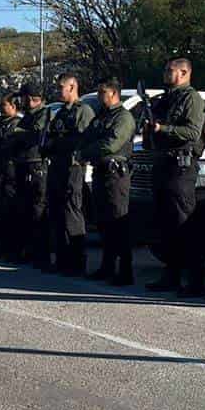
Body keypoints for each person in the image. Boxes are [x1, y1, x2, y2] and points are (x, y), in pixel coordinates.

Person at [146, 57, 205, 296]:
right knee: (165, 224)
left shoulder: (191, 98)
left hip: (181, 167)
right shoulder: (165, 98)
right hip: (163, 164)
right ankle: (171, 275)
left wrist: (164, 129)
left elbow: (193, 131)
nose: (165, 73)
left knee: (184, 223)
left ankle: (195, 280)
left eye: (169, 70)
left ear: (184, 73)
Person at [78, 78, 137, 286]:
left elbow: (111, 144)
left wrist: (86, 152)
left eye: (102, 92)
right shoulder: (101, 117)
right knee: (103, 221)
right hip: (101, 172)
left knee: (118, 221)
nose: (99, 96)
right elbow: (87, 136)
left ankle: (125, 269)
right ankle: (107, 266)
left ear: (113, 93)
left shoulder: (123, 117)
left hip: (116, 175)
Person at [44, 73, 95, 274]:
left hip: (72, 166)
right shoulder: (61, 113)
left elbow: (83, 139)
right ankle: (63, 258)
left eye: (61, 87)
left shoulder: (83, 111)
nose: (58, 91)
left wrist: (62, 143)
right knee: (56, 211)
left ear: (72, 87)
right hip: (57, 165)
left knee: (72, 211)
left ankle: (77, 260)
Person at [14, 83, 51, 267]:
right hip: (24, 164)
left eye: (25, 97)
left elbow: (34, 136)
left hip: (36, 165)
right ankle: (29, 249)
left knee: (38, 209)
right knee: (25, 209)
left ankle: (41, 252)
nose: (23, 101)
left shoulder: (43, 114)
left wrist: (19, 134)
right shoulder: (28, 116)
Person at [0, 93, 24, 259]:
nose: (2, 108)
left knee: (12, 210)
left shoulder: (17, 124)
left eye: (5, 105)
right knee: (1, 209)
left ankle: (14, 247)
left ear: (14, 107)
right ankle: (3, 245)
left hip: (11, 171)